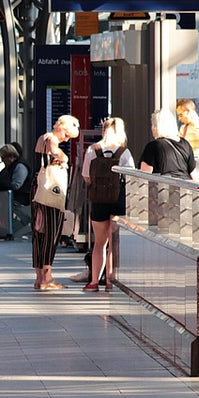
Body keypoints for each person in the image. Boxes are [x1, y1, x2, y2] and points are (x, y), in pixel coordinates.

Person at [30, 113, 80, 291]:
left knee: (38, 233)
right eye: (67, 135)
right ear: (62, 128)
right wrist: (64, 158)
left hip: (37, 191)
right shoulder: (51, 139)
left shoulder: (42, 137)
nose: (66, 140)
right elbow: (54, 150)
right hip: (50, 194)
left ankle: (39, 277)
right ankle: (47, 277)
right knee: (51, 233)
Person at [81, 117, 132, 291]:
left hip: (99, 201)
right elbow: (131, 176)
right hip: (118, 200)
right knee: (114, 244)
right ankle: (110, 282)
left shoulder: (92, 149)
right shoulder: (124, 152)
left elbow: (86, 176)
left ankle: (94, 281)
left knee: (99, 243)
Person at [137, 107, 195, 178]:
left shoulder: (153, 146)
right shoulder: (185, 144)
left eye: (153, 124)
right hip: (185, 186)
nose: (152, 128)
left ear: (157, 126)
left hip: (163, 187)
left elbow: (144, 175)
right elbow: (193, 174)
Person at [177, 99, 199, 180]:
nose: (179, 119)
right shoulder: (183, 129)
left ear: (188, 111)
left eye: (181, 115)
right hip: (189, 167)